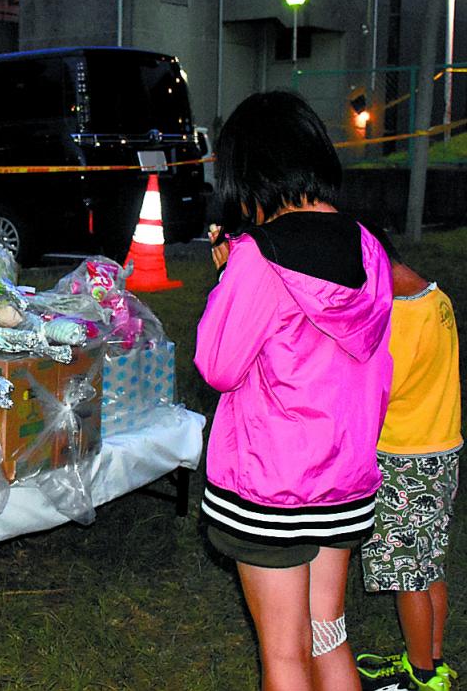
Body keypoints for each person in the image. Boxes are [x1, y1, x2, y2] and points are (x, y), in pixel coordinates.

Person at [195, 90, 393, 691]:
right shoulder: (369, 246)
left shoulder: (259, 256)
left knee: (283, 655)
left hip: (270, 487)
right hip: (344, 478)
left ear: (249, 172)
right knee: (327, 629)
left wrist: (229, 274)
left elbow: (219, 365)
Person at [354, 227, 461, 691]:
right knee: (429, 563)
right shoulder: (437, 299)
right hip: (441, 449)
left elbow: (379, 391)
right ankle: (432, 661)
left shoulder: (398, 320)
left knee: (407, 576)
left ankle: (418, 677)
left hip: (405, 459)